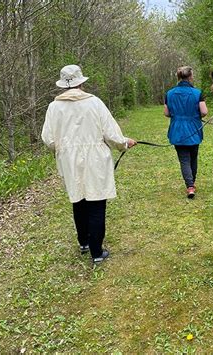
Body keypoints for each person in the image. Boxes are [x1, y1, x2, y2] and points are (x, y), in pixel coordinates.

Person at [41, 64, 136, 264]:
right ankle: (96, 251)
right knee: (96, 202)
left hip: (69, 160)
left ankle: (84, 242)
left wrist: (64, 149)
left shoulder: (54, 107)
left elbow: (48, 138)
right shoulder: (94, 103)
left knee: (78, 200)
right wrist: (124, 143)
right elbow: (111, 133)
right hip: (95, 159)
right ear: (81, 82)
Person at [164, 66, 208, 198]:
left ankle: (190, 186)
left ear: (178, 77)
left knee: (184, 159)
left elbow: (166, 113)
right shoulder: (197, 93)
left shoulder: (169, 94)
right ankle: (191, 183)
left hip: (177, 129)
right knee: (193, 157)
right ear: (190, 77)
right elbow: (204, 111)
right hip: (194, 129)